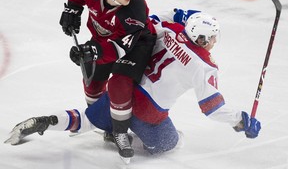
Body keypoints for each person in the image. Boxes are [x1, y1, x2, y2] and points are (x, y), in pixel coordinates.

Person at [5, 9, 261, 161]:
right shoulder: (205, 66)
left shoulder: (170, 30)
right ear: (203, 38)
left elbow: (152, 18)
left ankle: (48, 121)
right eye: (213, 36)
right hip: (150, 113)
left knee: (86, 119)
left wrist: (180, 13)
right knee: (171, 144)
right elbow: (212, 108)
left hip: (124, 92)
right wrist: (241, 120)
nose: (215, 41)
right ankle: (127, 135)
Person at [58, 0, 156, 158]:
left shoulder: (135, 10)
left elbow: (120, 48)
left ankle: (119, 132)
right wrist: (72, 9)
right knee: (92, 79)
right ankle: (105, 124)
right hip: (104, 40)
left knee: (119, 83)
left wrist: (93, 51)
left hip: (137, 45)